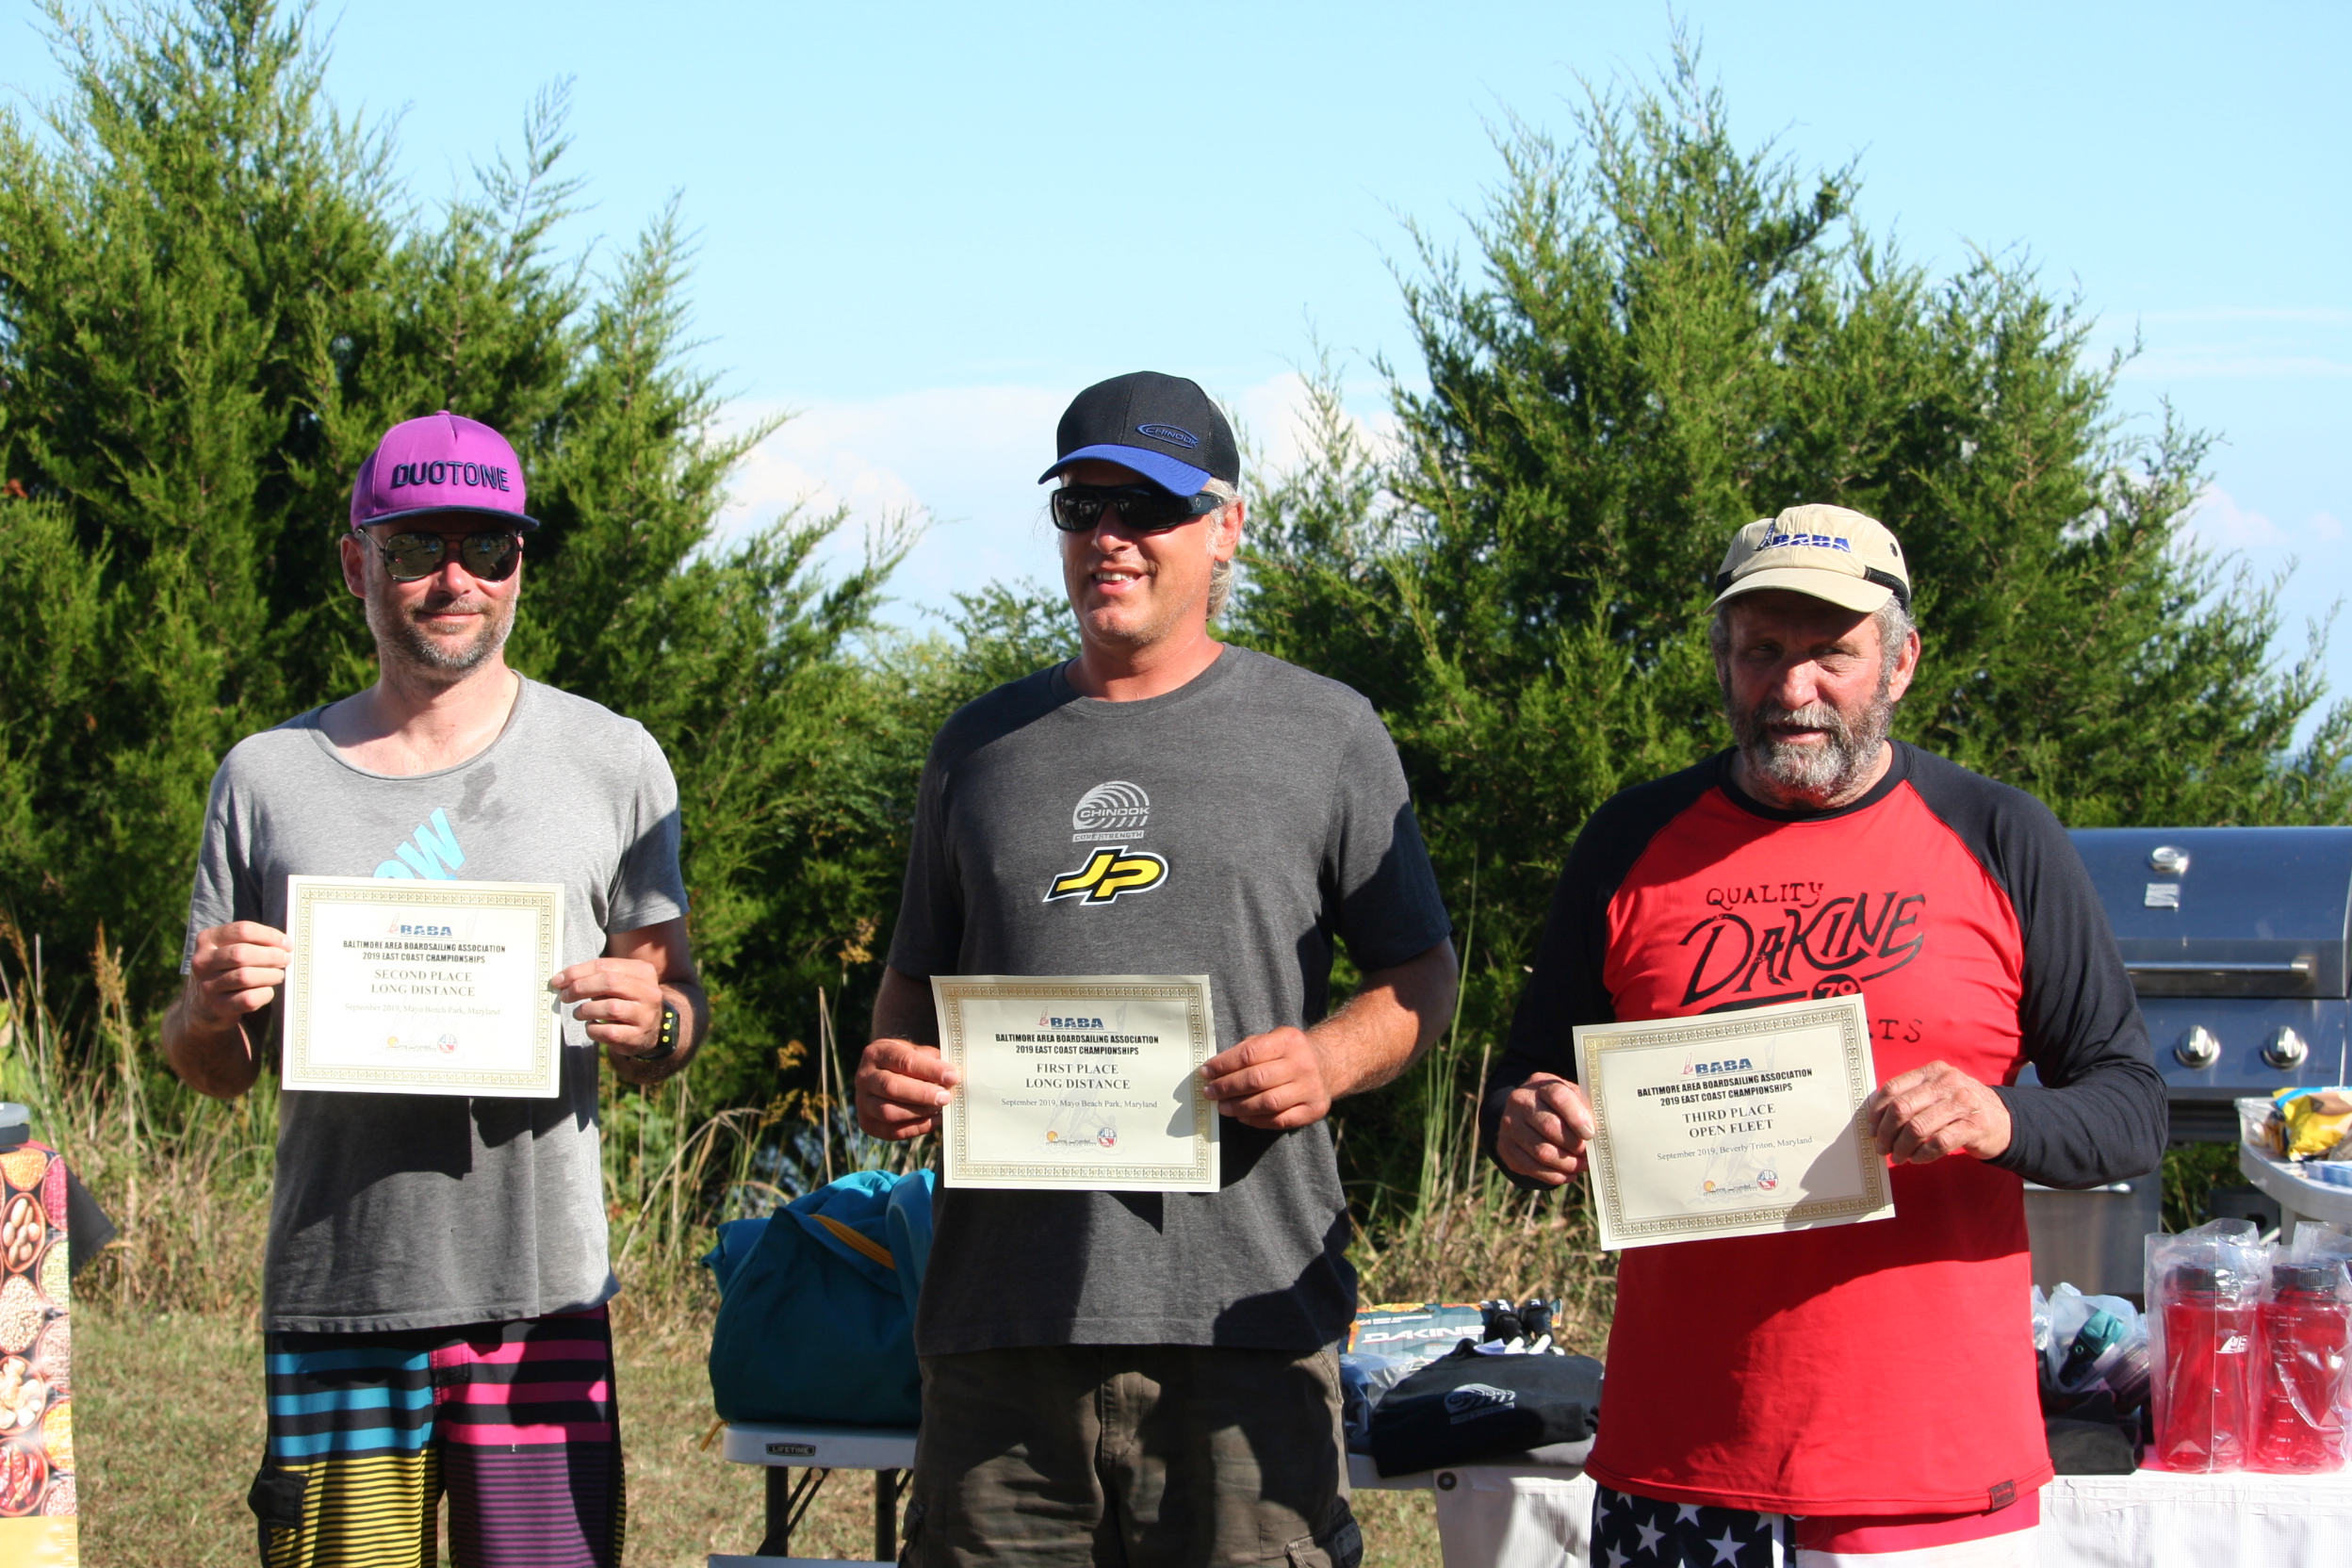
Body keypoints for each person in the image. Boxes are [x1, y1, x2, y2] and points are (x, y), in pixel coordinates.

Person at [1485, 504, 2164, 1567]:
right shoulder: (1630, 840)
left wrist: (2000, 1118)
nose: (1793, 688)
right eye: (1762, 650)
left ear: (1900, 662)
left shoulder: (2000, 835)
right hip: (1682, 1465)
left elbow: (2132, 1108)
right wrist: (1524, 1122)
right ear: (1723, 660)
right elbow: (1524, 1080)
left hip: (1930, 1477)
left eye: (1832, 654)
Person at [856, 371, 1458, 1568]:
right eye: (1082, 507)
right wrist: (892, 1074)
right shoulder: (977, 746)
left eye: (1149, 506)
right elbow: (914, 983)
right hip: (1001, 1328)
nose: (1111, 537)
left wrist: (1327, 1059)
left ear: (1226, 525)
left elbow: (1421, 971)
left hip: (1244, 1320)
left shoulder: (1326, 730)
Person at [165, 410, 707, 1568]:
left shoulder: (615, 759)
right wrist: (207, 1012)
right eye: (416, 546)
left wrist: (653, 1022)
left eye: (487, 546)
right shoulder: (263, 777)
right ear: (355, 562)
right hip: (340, 1289)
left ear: (520, 564)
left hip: (543, 1294)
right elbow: (213, 1072)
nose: (454, 578)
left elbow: (675, 1015)